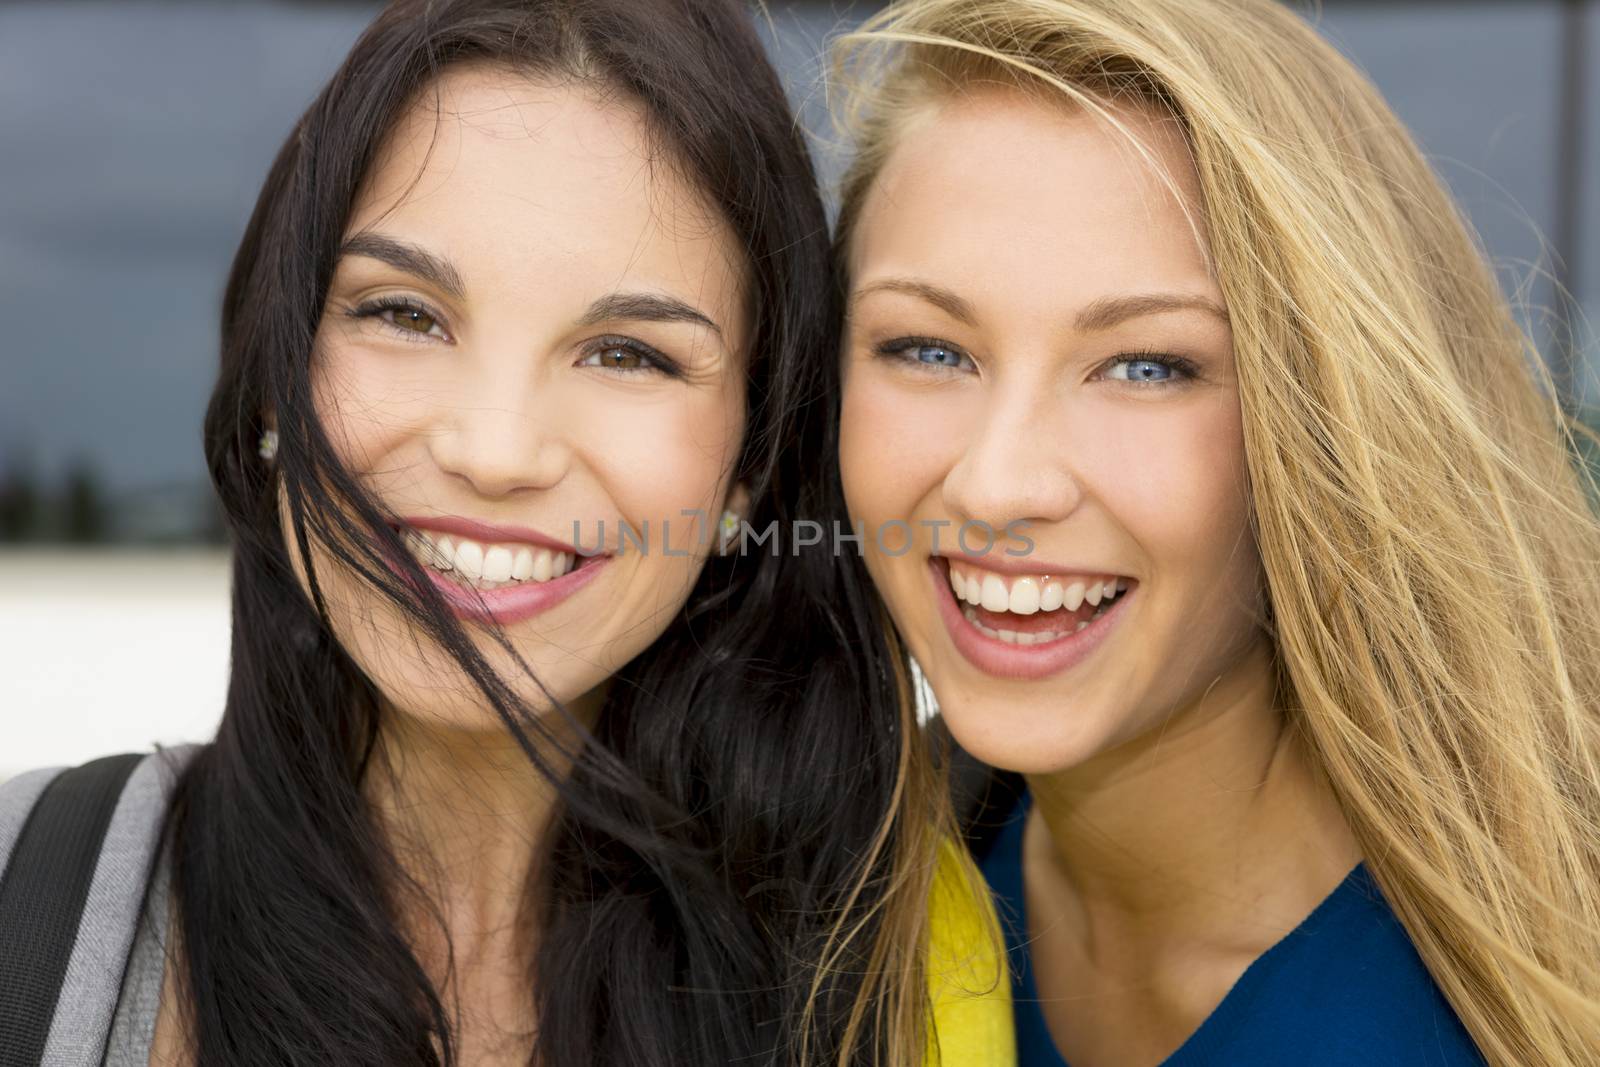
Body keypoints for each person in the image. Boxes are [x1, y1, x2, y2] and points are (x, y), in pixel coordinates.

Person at [0, 1, 1011, 1063]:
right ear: (273, 381)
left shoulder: (897, 973)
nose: (495, 449)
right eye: (403, 313)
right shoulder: (27, 901)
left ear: (747, 474)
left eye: (628, 353)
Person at [829, 0, 1600, 1063]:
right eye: (927, 348)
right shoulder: (826, 901)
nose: (998, 481)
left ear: (1333, 417)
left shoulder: (1464, 1013)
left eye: (1146, 366)